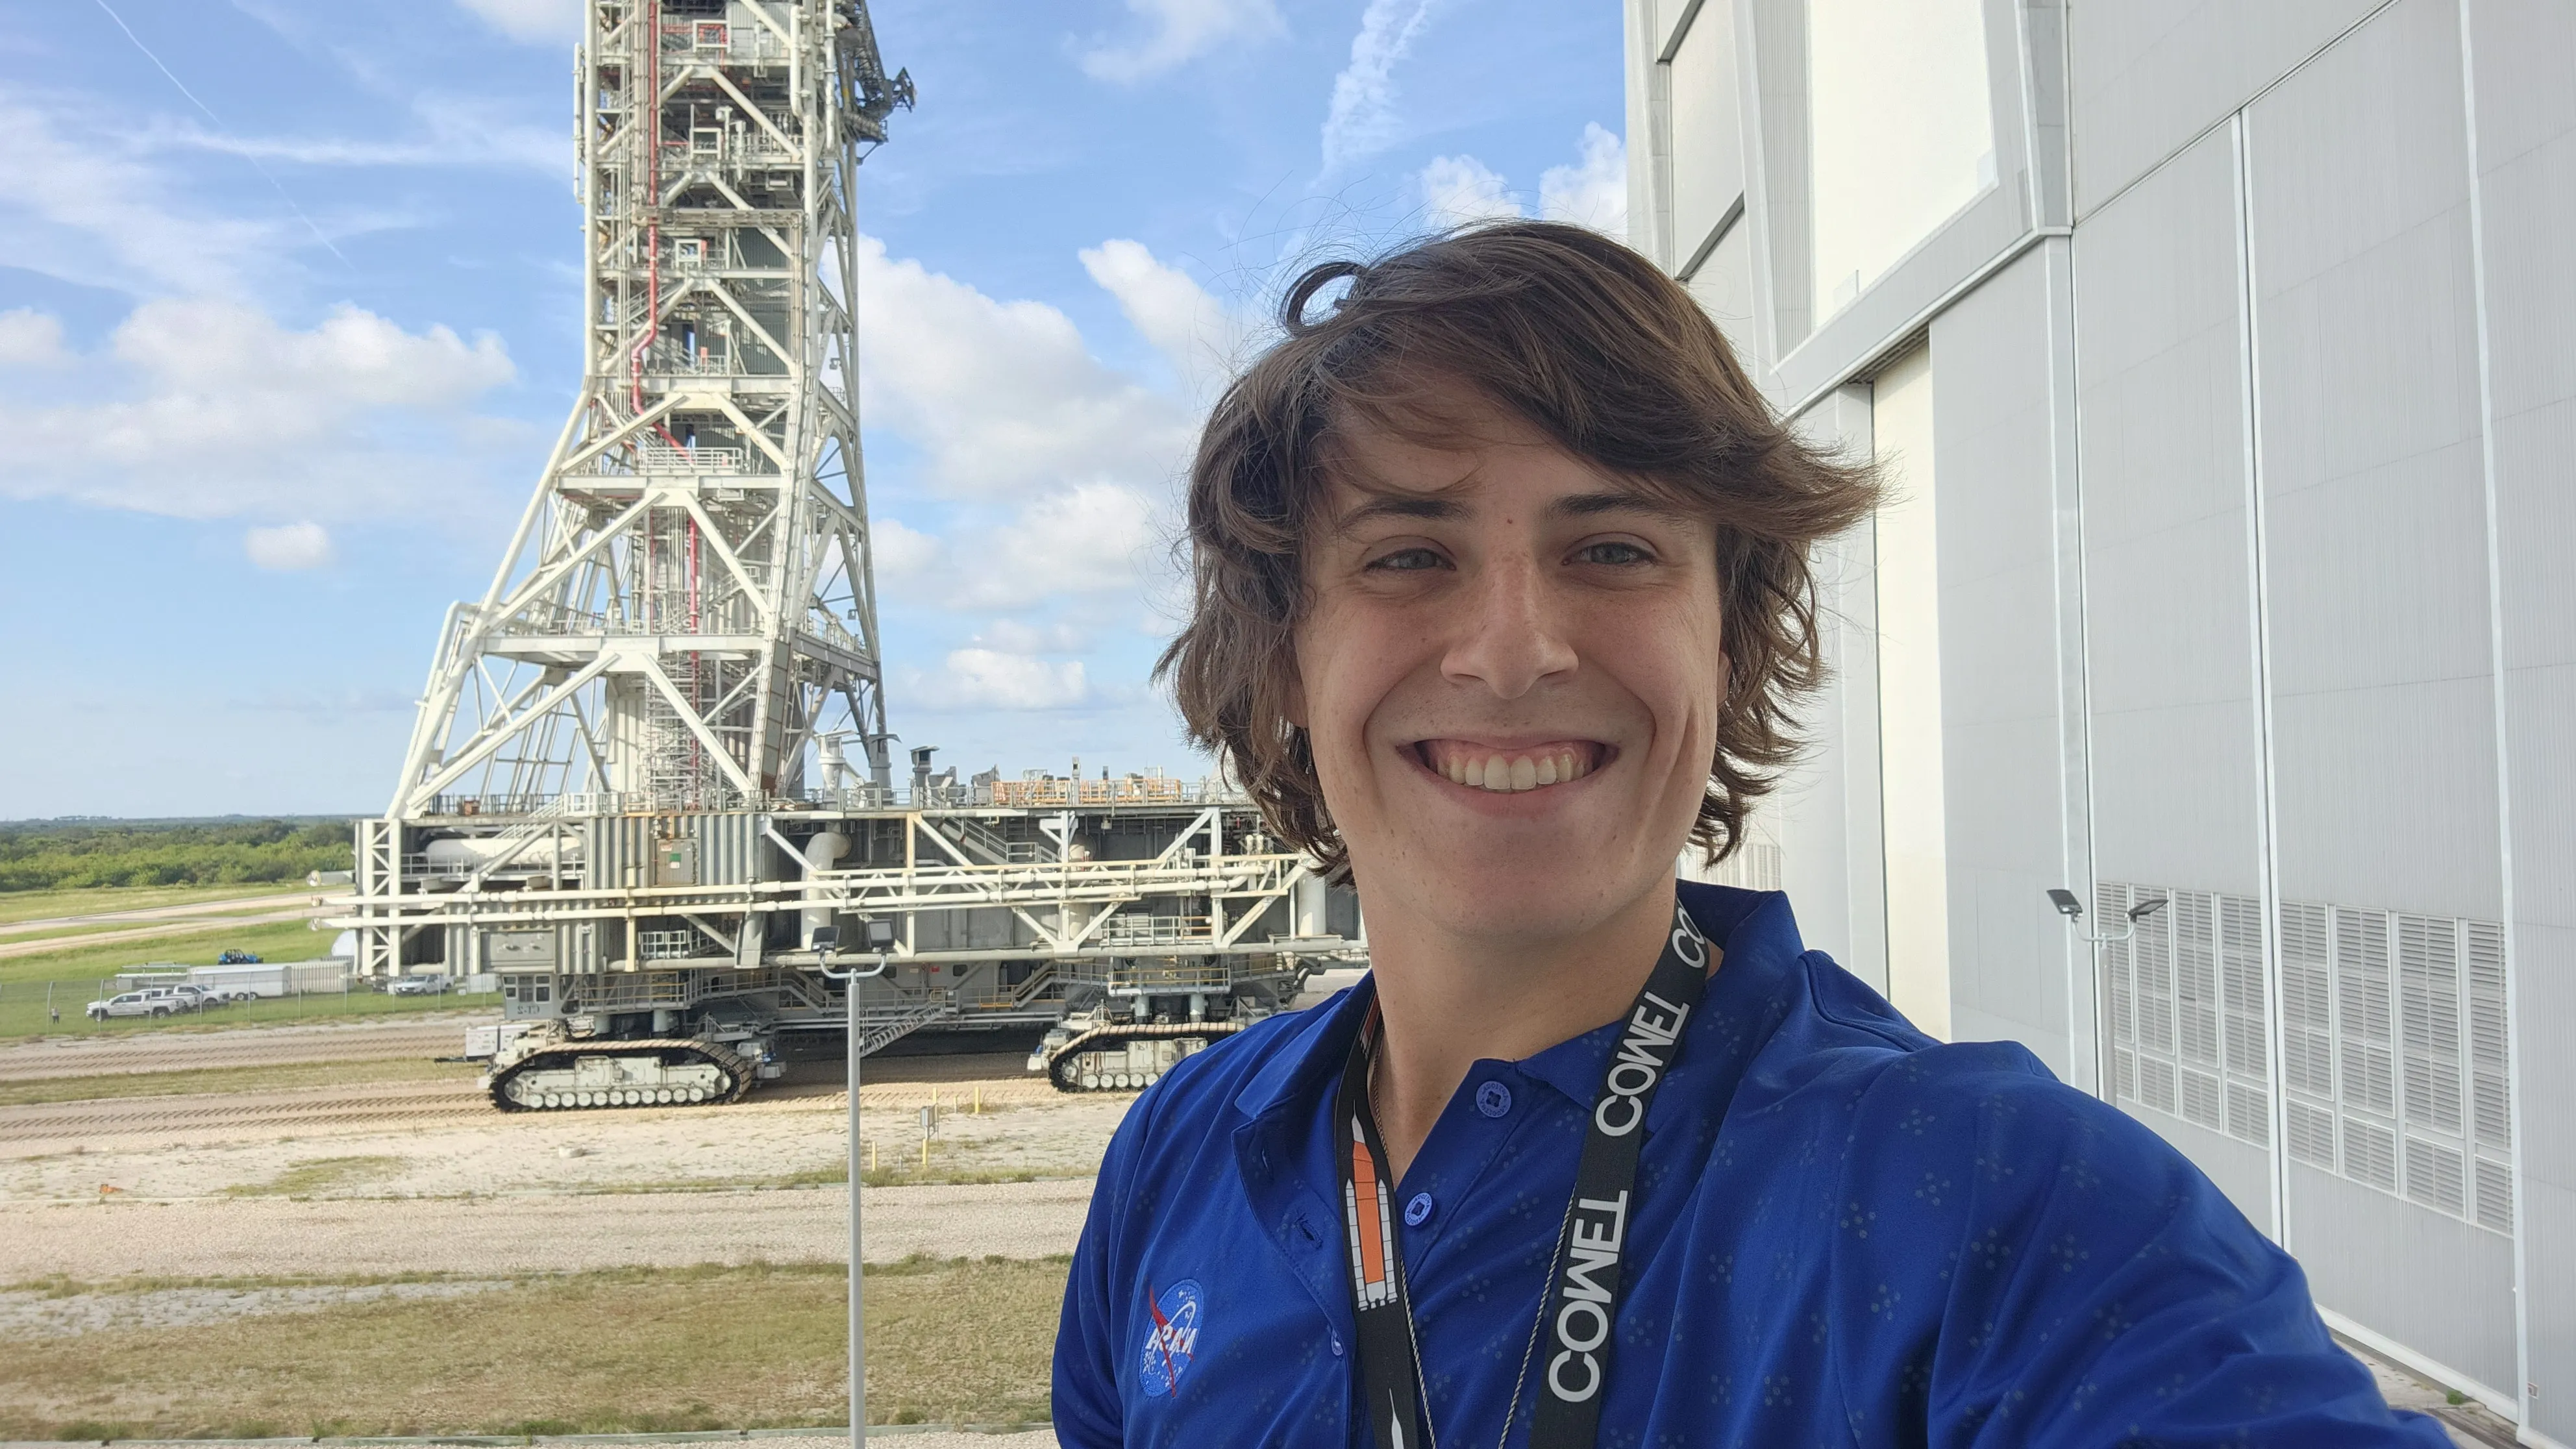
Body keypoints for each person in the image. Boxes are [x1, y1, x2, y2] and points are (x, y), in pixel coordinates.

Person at [1051, 221, 2447, 1446]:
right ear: (1285, 658)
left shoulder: (2005, 1213)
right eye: (1409, 555)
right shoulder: (1180, 1155)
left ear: (1731, 639)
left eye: (1611, 550)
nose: (1513, 649)